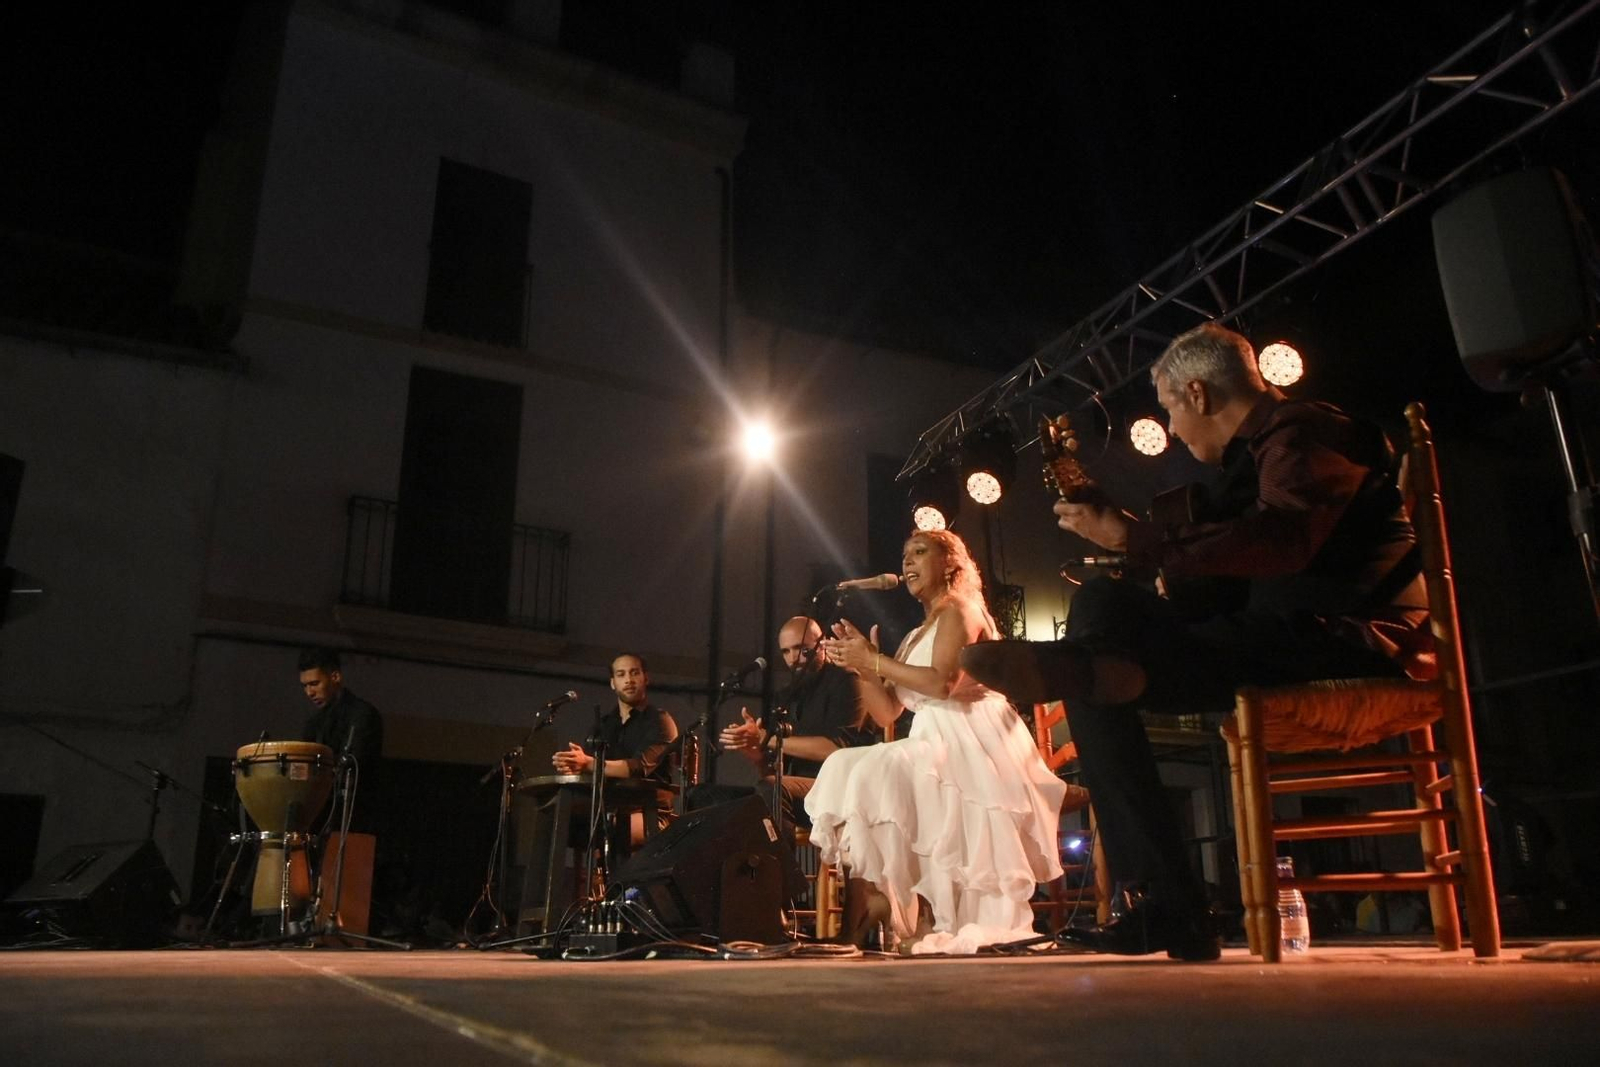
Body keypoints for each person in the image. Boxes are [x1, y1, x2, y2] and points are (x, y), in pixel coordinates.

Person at [960, 322, 1429, 962]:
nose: (1172, 430)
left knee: (1092, 669)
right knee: (1099, 609)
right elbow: (1212, 584)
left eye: (1170, 409)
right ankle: (1088, 670)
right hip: (1268, 638)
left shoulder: (1305, 433)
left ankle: (1170, 906)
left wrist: (1135, 539)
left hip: (1351, 640)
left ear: (1199, 394)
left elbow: (1284, 541)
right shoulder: (1242, 472)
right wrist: (1138, 553)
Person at [806, 530, 1066, 954]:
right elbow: (888, 712)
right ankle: (894, 904)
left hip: (973, 738)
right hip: (932, 738)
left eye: (920, 552)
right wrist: (863, 670)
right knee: (843, 765)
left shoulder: (961, 610)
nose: (907, 562)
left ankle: (899, 910)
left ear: (950, 563)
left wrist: (875, 660)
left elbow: (942, 684)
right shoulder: (914, 636)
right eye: (904, 554)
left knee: (876, 770)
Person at [710, 615, 878, 828]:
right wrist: (757, 755)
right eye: (785, 651)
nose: (793, 658)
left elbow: (837, 748)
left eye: (800, 648)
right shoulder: (787, 696)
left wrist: (766, 738)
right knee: (709, 797)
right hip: (801, 792)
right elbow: (772, 774)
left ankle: (781, 852)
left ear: (822, 645)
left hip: (843, 787)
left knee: (773, 790)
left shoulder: (847, 681)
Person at [552, 652, 679, 840]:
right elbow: (589, 764)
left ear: (646, 678)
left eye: (634, 673)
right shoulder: (604, 725)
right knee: (557, 823)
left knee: (612, 831)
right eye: (621, 674)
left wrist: (588, 763)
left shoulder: (660, 721)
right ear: (613, 683)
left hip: (650, 813)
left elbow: (638, 767)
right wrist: (573, 764)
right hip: (608, 809)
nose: (628, 680)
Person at [299, 646, 383, 786]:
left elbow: (356, 768)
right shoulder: (313, 724)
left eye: (314, 684)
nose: (309, 692)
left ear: (335, 677)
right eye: (305, 686)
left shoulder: (362, 714)